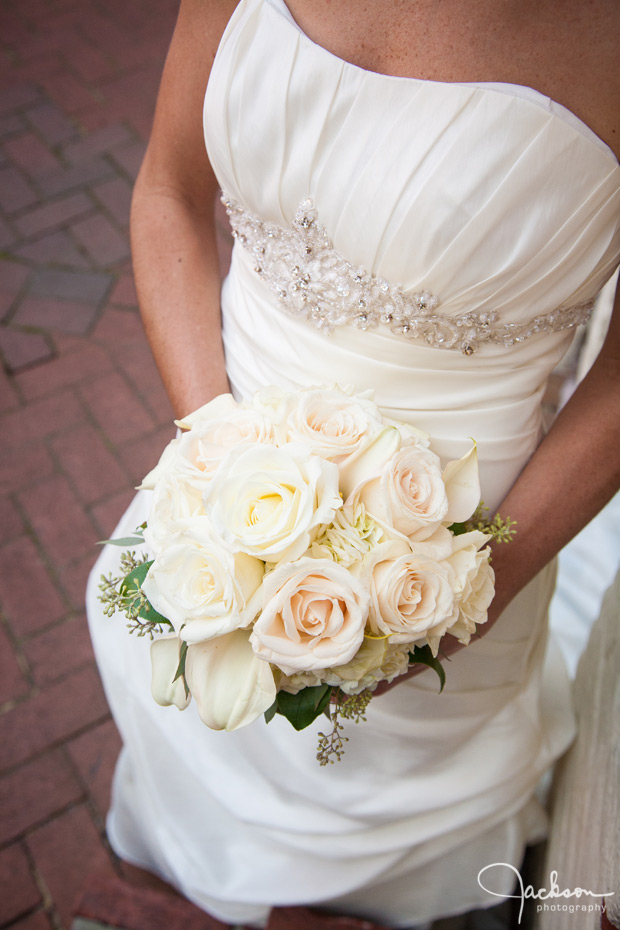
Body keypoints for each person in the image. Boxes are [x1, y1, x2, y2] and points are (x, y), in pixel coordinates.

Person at [86, 0, 620, 927]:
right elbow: (167, 190)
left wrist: (470, 596)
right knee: (199, 763)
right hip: (216, 515)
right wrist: (215, 467)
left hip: (453, 579)